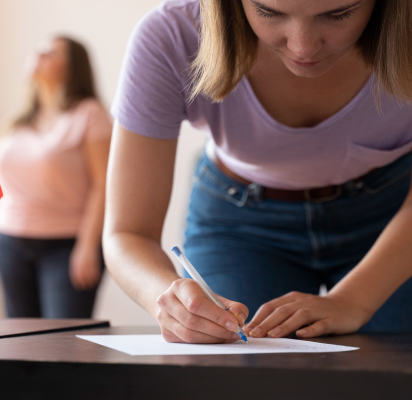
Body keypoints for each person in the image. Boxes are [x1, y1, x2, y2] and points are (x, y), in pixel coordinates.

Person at [103, 0, 412, 343]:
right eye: (269, 12)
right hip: (239, 223)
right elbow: (128, 234)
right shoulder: (172, 35)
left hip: (396, 216)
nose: (303, 47)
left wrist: (352, 300)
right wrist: (167, 299)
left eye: (338, 14)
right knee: (240, 375)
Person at [0, 37, 112, 319]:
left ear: (72, 67)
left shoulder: (90, 115)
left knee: (62, 349)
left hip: (65, 247)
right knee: (18, 346)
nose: (37, 54)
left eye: (51, 52)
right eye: (38, 49)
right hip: (9, 245)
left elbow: (103, 185)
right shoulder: (18, 123)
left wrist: (88, 246)